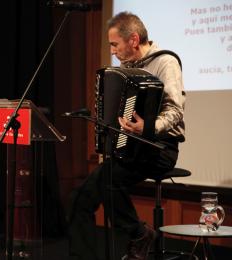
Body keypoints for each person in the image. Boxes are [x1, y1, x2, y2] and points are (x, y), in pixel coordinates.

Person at [68, 12, 185, 260]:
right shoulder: (125, 68)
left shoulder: (166, 62)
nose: (112, 51)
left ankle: (139, 233)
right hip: (130, 148)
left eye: (114, 44)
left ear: (133, 39)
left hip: (160, 147)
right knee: (80, 198)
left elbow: (175, 111)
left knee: (108, 180)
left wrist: (149, 127)